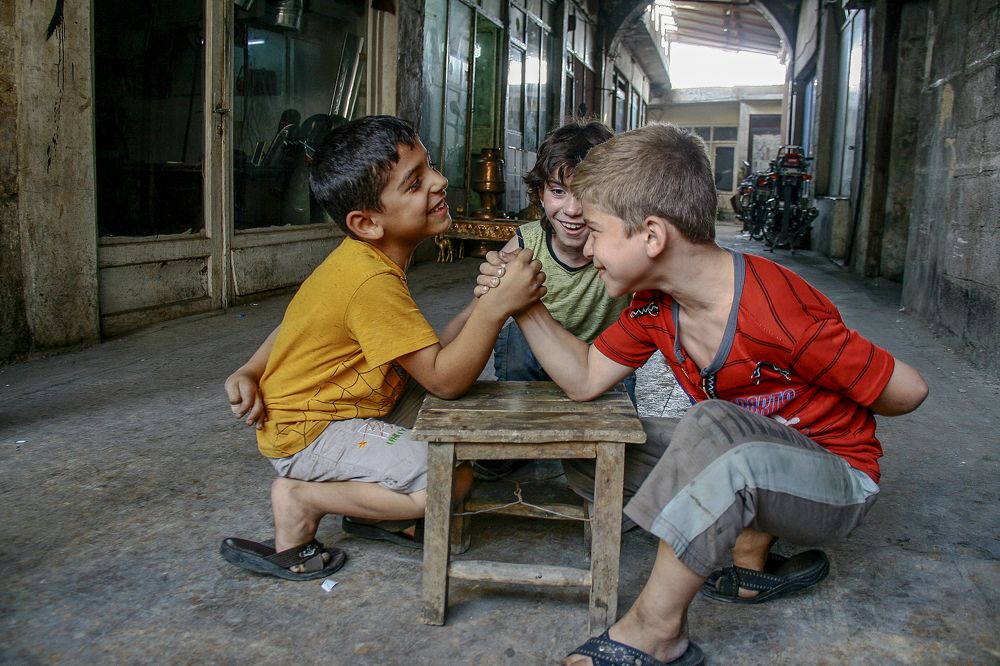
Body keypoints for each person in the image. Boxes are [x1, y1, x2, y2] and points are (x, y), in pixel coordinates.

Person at [477, 123, 928, 665]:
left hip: (836, 482)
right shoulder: (653, 306)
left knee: (713, 424)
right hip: (742, 465)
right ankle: (742, 548)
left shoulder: (776, 309)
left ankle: (656, 630)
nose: (586, 244)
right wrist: (522, 303)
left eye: (595, 230)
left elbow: (908, 391)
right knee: (596, 445)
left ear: (652, 236)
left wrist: (805, 414)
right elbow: (585, 379)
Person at [220, 115, 545, 580]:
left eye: (429, 166)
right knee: (450, 477)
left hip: (346, 406)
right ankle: (300, 500)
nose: (439, 181)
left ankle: (374, 510)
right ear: (368, 222)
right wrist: (496, 310)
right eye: (415, 183)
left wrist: (486, 300)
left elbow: (299, 325)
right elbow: (446, 380)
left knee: (451, 422)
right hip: (311, 432)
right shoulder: (370, 281)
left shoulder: (360, 260)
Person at [475, 119, 634, 479]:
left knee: (619, 452)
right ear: (541, 193)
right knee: (514, 337)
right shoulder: (526, 242)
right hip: (535, 358)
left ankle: (594, 451)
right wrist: (494, 281)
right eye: (559, 191)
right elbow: (482, 312)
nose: (573, 209)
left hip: (601, 360)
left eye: (586, 193)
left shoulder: (622, 249)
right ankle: (515, 436)